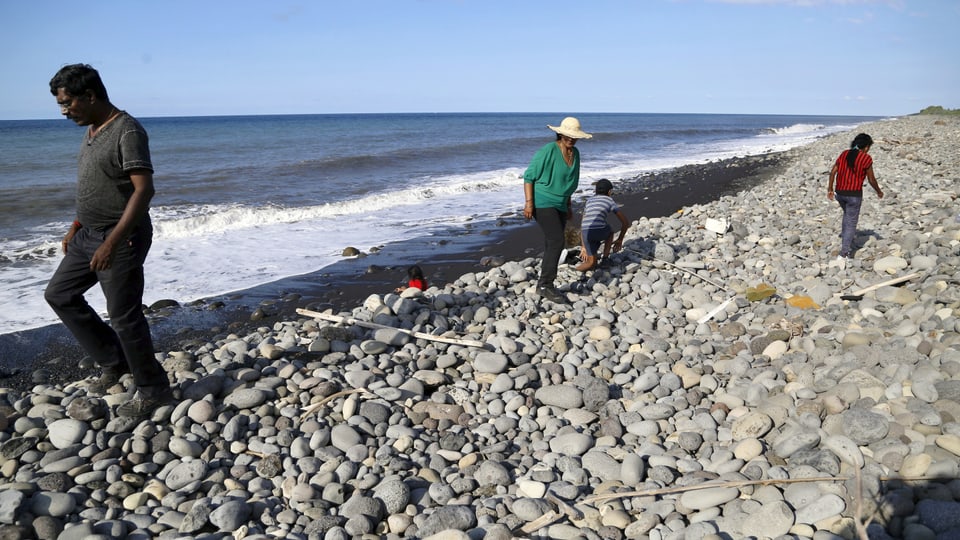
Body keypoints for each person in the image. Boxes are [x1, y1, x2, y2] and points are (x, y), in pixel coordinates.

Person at [44, 63, 172, 418]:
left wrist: (111, 242)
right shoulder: (92, 130)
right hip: (88, 233)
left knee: (124, 316)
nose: (64, 110)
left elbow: (144, 190)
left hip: (122, 236)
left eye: (68, 102)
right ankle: (114, 362)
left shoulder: (127, 130)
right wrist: (76, 224)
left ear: (90, 95)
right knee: (60, 295)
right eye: (60, 104)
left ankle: (154, 388)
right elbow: (97, 185)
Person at [523, 117, 592, 303]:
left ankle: (546, 275)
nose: (571, 139)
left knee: (552, 242)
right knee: (556, 240)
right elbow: (529, 177)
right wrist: (529, 203)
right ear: (560, 133)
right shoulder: (548, 150)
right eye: (567, 135)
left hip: (561, 203)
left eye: (574, 136)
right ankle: (545, 285)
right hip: (542, 201)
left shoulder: (575, 153)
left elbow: (569, 182)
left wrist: (568, 205)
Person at [827, 133, 884, 261]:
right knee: (851, 222)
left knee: (847, 215)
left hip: (840, 193)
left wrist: (830, 189)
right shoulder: (866, 159)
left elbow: (833, 172)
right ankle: (844, 253)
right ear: (866, 147)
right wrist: (879, 191)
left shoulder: (844, 154)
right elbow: (871, 179)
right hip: (854, 195)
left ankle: (846, 236)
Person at [576, 179, 629, 271]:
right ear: (609, 192)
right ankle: (605, 259)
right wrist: (620, 239)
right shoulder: (609, 200)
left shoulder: (589, 201)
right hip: (597, 231)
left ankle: (575, 272)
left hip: (585, 234)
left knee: (591, 263)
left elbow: (583, 224)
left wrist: (583, 246)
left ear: (595, 191)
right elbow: (625, 222)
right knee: (610, 232)